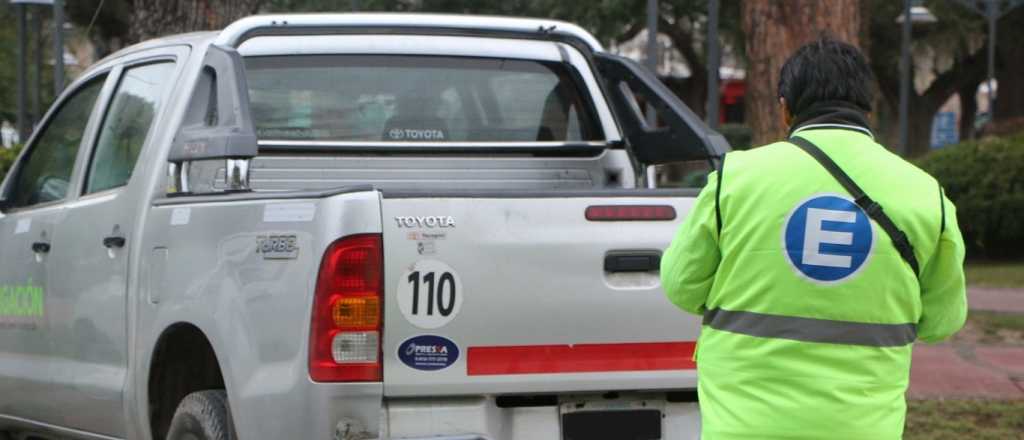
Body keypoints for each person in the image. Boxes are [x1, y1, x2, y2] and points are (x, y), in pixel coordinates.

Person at [660, 36, 967, 440]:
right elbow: (942, 321)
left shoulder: (734, 179)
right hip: (863, 426)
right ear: (867, 108)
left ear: (785, 109)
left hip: (743, 425)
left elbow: (681, 286)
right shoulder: (927, 194)